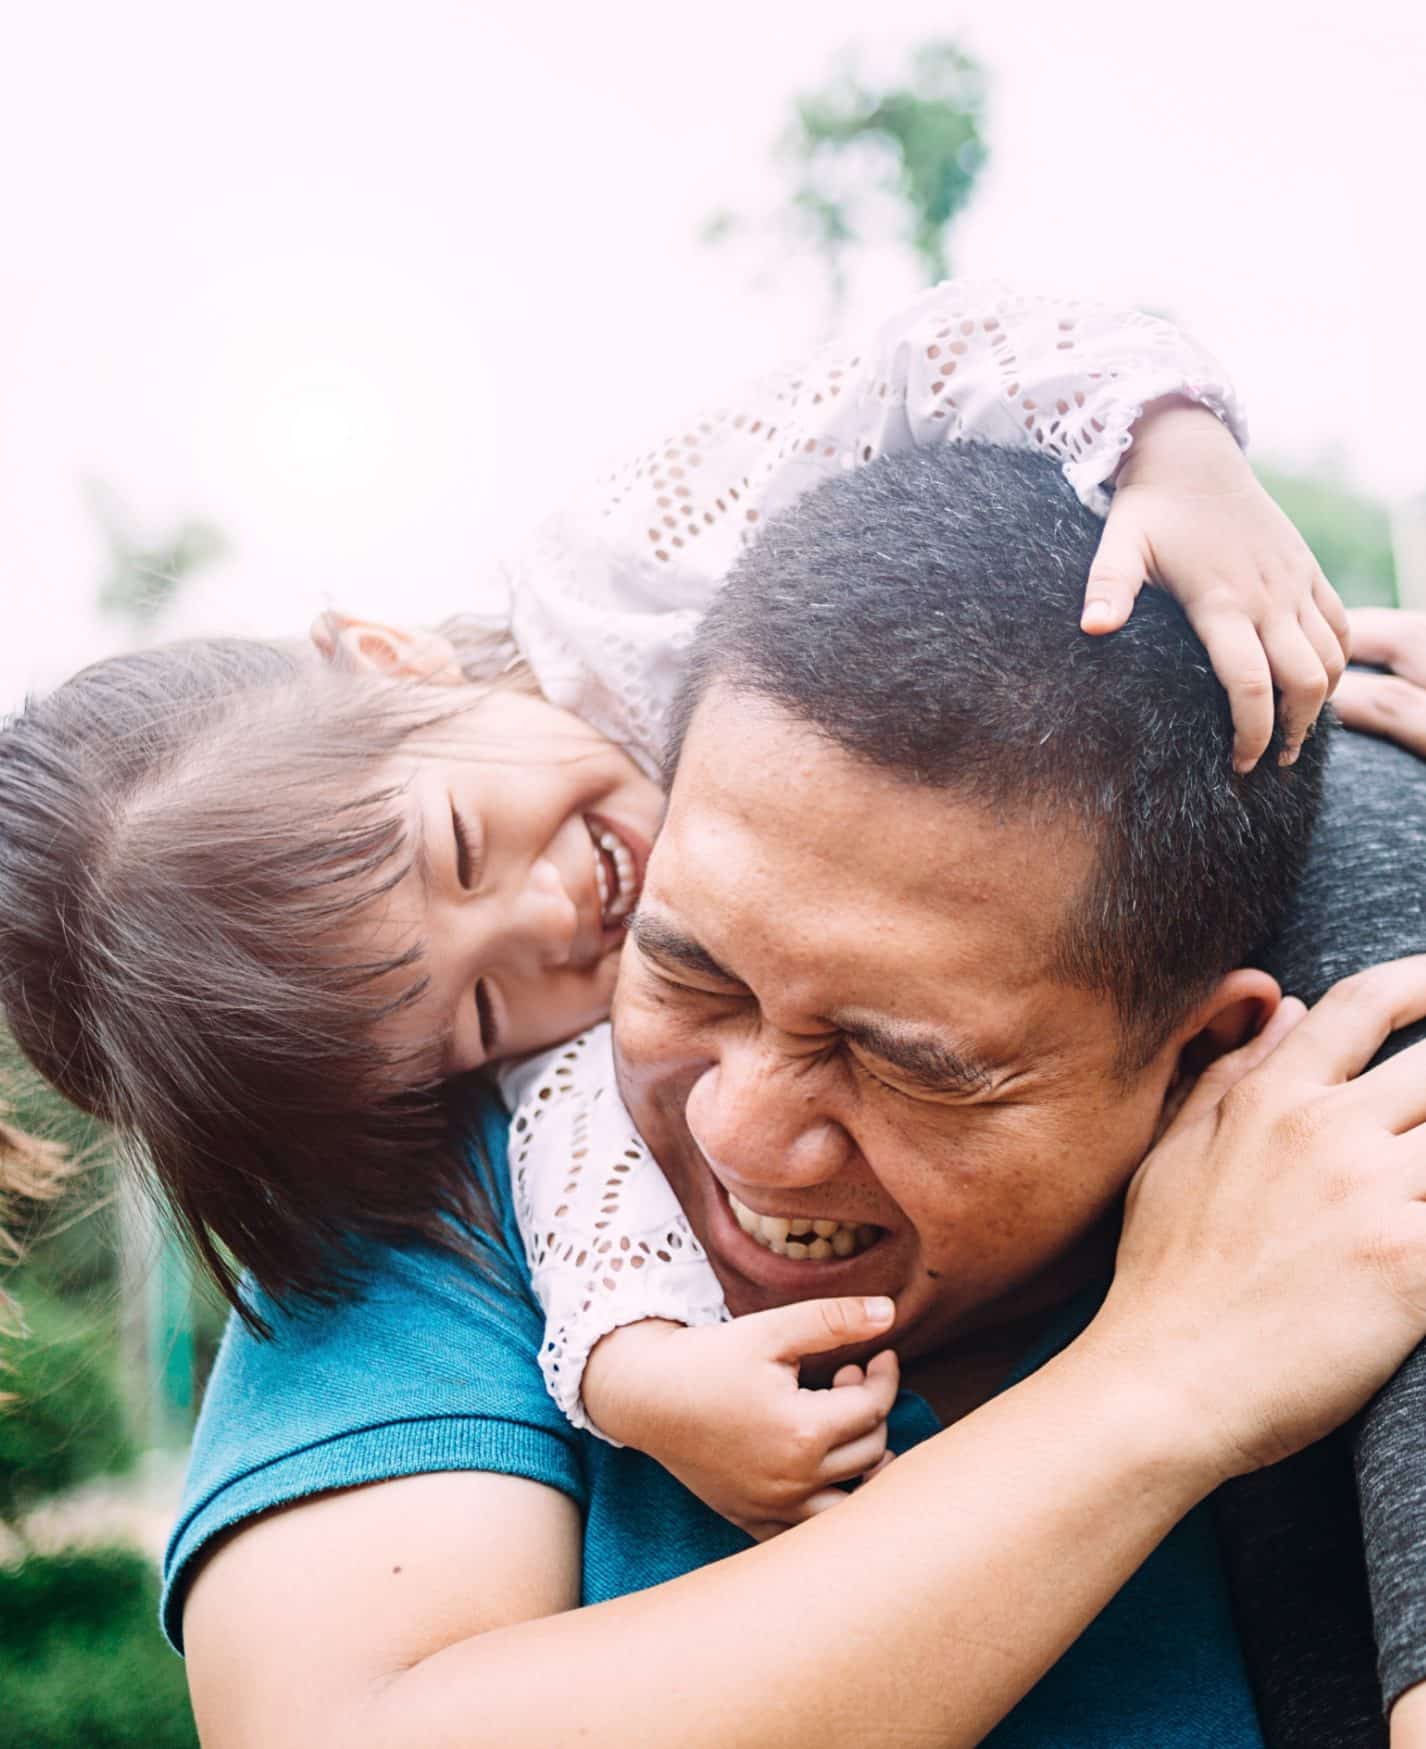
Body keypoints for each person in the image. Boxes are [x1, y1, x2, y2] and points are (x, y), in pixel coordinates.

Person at [0, 284, 1345, 1528]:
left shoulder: (626, 571)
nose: (548, 925)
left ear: (385, 659)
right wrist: (652, 1388)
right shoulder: (581, 1050)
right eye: (473, 1007)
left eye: (464, 848)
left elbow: (928, 360)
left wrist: (1173, 467)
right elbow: (586, 1208)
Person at [170, 444, 1426, 1747]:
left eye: (904, 1062)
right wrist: (1162, 1382)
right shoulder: (433, 1167)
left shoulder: (1346, 1166)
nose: (737, 1132)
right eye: (683, 970)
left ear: (1204, 1052)